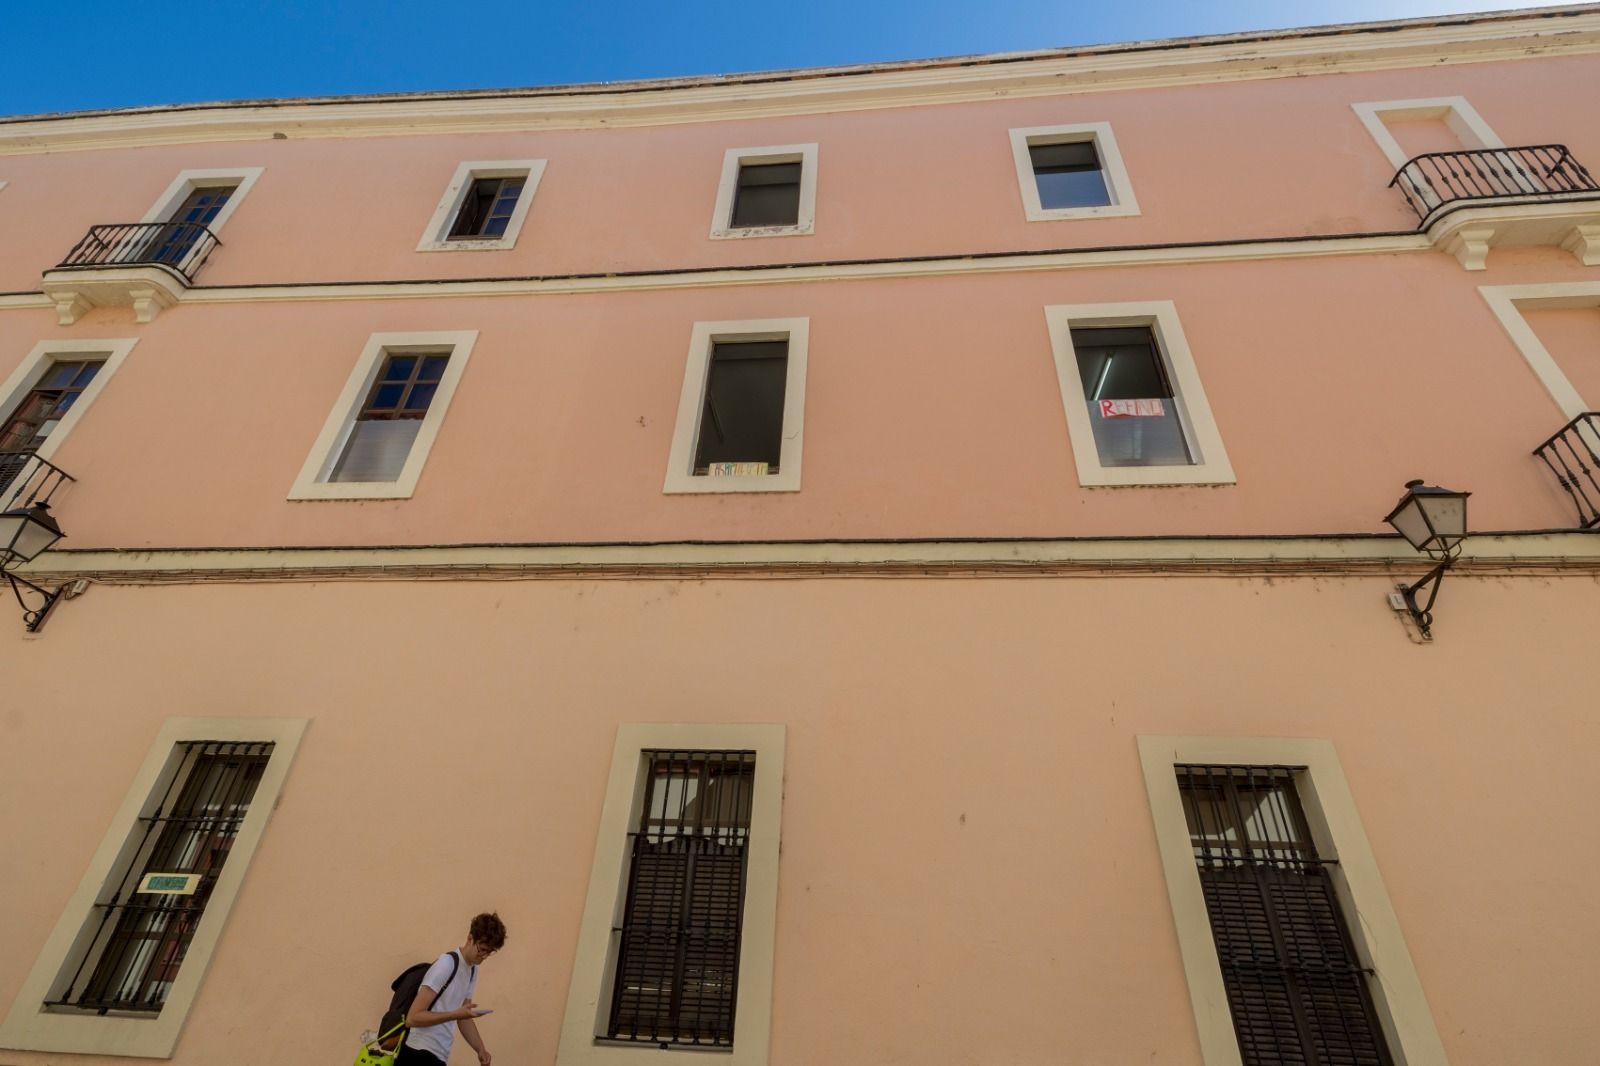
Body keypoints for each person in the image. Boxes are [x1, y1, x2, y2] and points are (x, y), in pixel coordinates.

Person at [396, 912, 506, 1066]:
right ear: (470, 938)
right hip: (418, 1052)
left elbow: (463, 1016)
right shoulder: (446, 964)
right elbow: (412, 1018)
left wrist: (481, 1049)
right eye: (482, 949)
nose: (484, 956)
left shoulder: (473, 970)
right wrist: (454, 1014)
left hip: (439, 1055)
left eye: (490, 952)